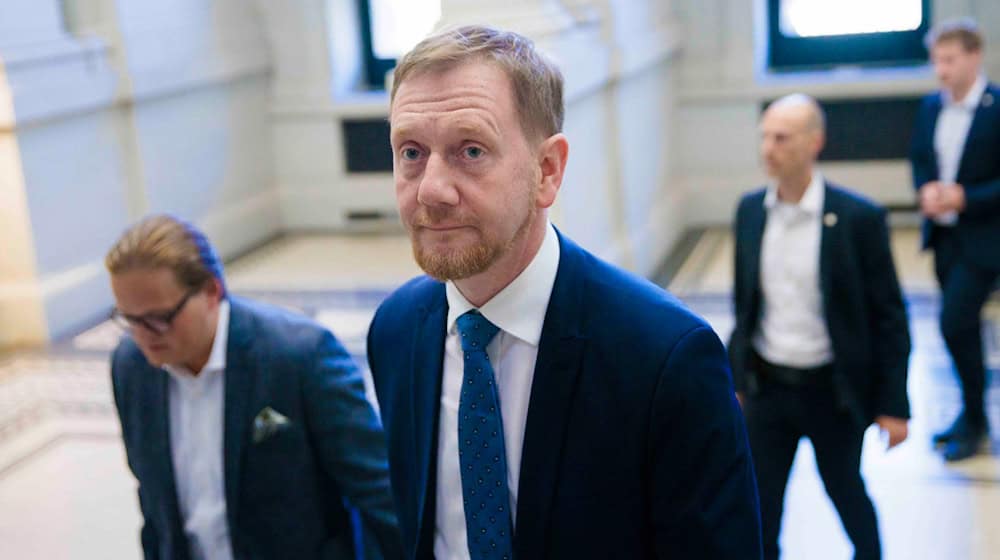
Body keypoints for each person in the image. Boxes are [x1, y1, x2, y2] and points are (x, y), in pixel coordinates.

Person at [366, 25, 762, 560]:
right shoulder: (395, 331)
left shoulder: (664, 358)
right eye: (410, 152)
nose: (431, 190)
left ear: (547, 171)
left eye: (471, 151)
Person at [106, 215, 403, 560]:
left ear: (210, 292)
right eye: (129, 320)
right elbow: (154, 505)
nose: (143, 337)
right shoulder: (131, 367)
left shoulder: (298, 358)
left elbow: (380, 494)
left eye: (159, 319)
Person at [728, 94, 911, 560]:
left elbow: (889, 316)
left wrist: (893, 405)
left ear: (815, 143)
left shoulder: (858, 219)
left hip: (832, 391)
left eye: (782, 138)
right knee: (759, 504)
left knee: (846, 492)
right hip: (768, 389)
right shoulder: (750, 212)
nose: (768, 147)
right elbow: (745, 307)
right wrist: (737, 380)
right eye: (764, 136)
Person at [909, 18, 1000, 462]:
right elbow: (921, 159)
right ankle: (972, 416)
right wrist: (926, 189)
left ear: (973, 56)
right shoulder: (931, 107)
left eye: (950, 59)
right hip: (943, 237)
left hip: (985, 240)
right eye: (937, 60)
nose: (941, 69)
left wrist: (965, 197)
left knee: (953, 322)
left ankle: (977, 420)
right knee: (961, 329)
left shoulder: (996, 107)